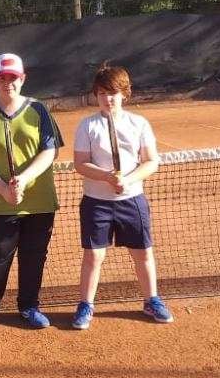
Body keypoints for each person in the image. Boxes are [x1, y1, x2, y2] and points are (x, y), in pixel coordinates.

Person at [72, 64, 174, 330]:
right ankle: (85, 305)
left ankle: (151, 300)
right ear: (96, 95)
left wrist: (127, 180)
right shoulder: (87, 126)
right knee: (94, 257)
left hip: (132, 201)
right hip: (96, 203)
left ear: (125, 94)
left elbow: (151, 161)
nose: (108, 98)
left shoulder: (139, 123)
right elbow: (80, 163)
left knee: (142, 253)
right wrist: (106, 177)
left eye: (114, 93)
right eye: (103, 93)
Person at [0, 53, 64, 334]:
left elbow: (50, 151)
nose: (7, 82)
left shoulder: (39, 110)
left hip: (39, 200)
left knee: (34, 255)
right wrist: (3, 189)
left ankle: (29, 306)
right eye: (2, 77)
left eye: (13, 77)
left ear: (22, 79)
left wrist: (23, 180)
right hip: (1, 203)